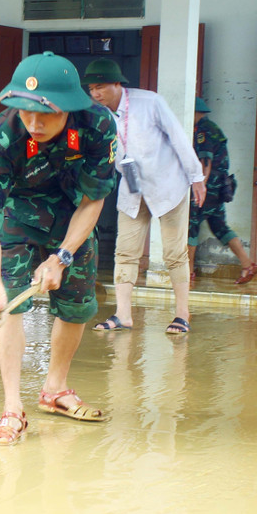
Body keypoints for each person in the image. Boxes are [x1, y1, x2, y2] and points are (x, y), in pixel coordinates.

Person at [0, 51, 116, 446]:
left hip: (73, 213)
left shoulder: (98, 125)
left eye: (45, 113)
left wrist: (62, 256)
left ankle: (55, 389)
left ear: (70, 106)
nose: (33, 122)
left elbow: (94, 198)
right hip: (18, 212)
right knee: (12, 303)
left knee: (76, 301)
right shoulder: (2, 135)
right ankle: (12, 408)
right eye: (25, 111)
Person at [83, 59, 205, 335]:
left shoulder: (150, 102)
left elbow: (178, 137)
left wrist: (196, 177)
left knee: (174, 254)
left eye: (100, 87)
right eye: (91, 88)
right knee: (125, 252)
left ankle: (182, 315)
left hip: (168, 185)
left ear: (117, 84)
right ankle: (123, 315)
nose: (95, 94)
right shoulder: (98, 114)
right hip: (132, 188)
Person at [188, 97, 257, 285]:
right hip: (219, 188)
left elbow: (205, 161)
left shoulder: (203, 130)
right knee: (219, 226)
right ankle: (247, 264)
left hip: (208, 187)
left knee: (191, 225)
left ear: (194, 112)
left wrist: (200, 185)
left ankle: (187, 273)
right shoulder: (213, 128)